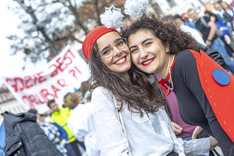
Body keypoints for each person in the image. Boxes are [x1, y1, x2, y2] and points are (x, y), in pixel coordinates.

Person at [81, 25, 217, 155]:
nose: (117, 52)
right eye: (106, 51)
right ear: (99, 63)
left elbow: (169, 146)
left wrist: (211, 141)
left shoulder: (141, 85)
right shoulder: (103, 95)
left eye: (119, 43)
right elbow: (115, 152)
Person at [123, 14, 234, 155]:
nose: (143, 54)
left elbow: (217, 117)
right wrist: (202, 123)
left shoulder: (184, 62)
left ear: (166, 45)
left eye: (147, 43)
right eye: (134, 50)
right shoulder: (172, 76)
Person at [188, 8, 234, 74]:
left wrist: (209, 40)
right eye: (191, 15)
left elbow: (213, 27)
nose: (193, 15)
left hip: (216, 42)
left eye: (193, 13)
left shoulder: (204, 18)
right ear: (190, 17)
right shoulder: (194, 25)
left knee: (227, 61)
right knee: (221, 65)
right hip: (209, 47)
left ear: (196, 12)